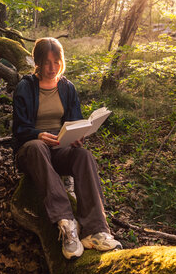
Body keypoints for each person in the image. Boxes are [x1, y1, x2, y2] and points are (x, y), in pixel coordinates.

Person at [12, 37, 122, 260]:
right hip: (31, 152)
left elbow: (75, 121)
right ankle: (67, 225)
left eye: (56, 62)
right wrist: (38, 134)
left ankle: (95, 230)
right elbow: (19, 129)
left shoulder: (67, 87)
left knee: (83, 156)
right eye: (47, 62)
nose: (52, 68)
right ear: (38, 63)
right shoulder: (25, 87)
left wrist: (76, 137)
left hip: (59, 149)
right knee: (36, 147)